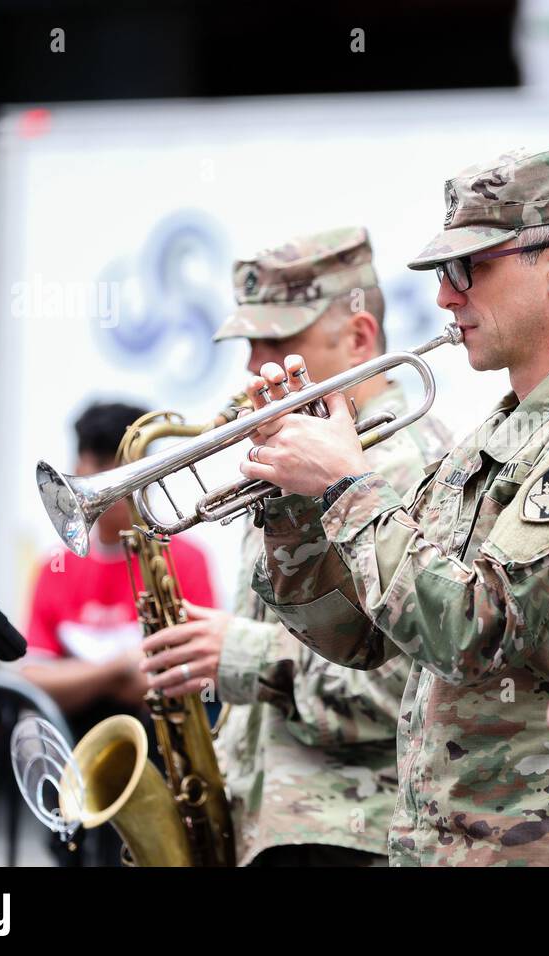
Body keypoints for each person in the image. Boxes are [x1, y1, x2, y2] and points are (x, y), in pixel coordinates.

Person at [237, 142, 549, 865]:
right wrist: (290, 502)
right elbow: (358, 637)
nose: (446, 296)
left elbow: (468, 629)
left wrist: (345, 489)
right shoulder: (495, 434)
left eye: (467, 269)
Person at [138, 227, 451, 866]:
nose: (255, 367)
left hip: (350, 831)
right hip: (273, 825)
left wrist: (242, 654)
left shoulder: (410, 464)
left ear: (359, 339)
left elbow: (418, 677)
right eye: (251, 343)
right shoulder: (293, 457)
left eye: (279, 343)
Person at [19, 400, 216, 864]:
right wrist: (117, 671)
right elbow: (32, 680)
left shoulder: (186, 560)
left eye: (90, 464)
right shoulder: (54, 568)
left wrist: (84, 678)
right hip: (81, 770)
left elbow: (202, 677)